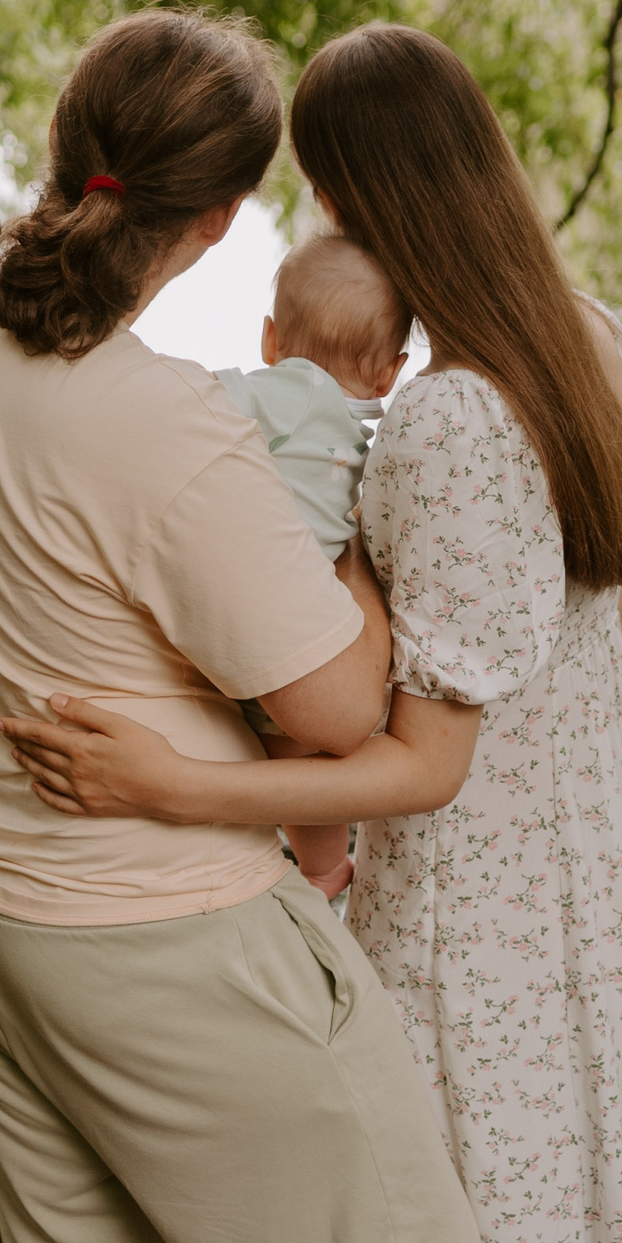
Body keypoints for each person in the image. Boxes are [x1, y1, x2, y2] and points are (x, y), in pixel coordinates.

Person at [1, 23, 622, 1243]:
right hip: (610, 857)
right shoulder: (590, 341)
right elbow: (594, 613)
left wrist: (173, 786)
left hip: (478, 907)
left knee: (477, 1229)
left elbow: (426, 765)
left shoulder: (446, 420)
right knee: (613, 1190)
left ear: (349, 195)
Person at [0, 7, 487, 1243]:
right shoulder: (159, 417)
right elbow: (340, 710)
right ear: (221, 217)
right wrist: (345, 512)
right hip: (161, 939)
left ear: (65, 139)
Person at [213, 234, 412, 898]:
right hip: (314, 620)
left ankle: (309, 867)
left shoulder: (290, 389)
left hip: (256, 602)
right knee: (299, 751)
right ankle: (325, 869)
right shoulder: (367, 439)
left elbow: (195, 401)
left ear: (271, 339)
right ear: (390, 374)